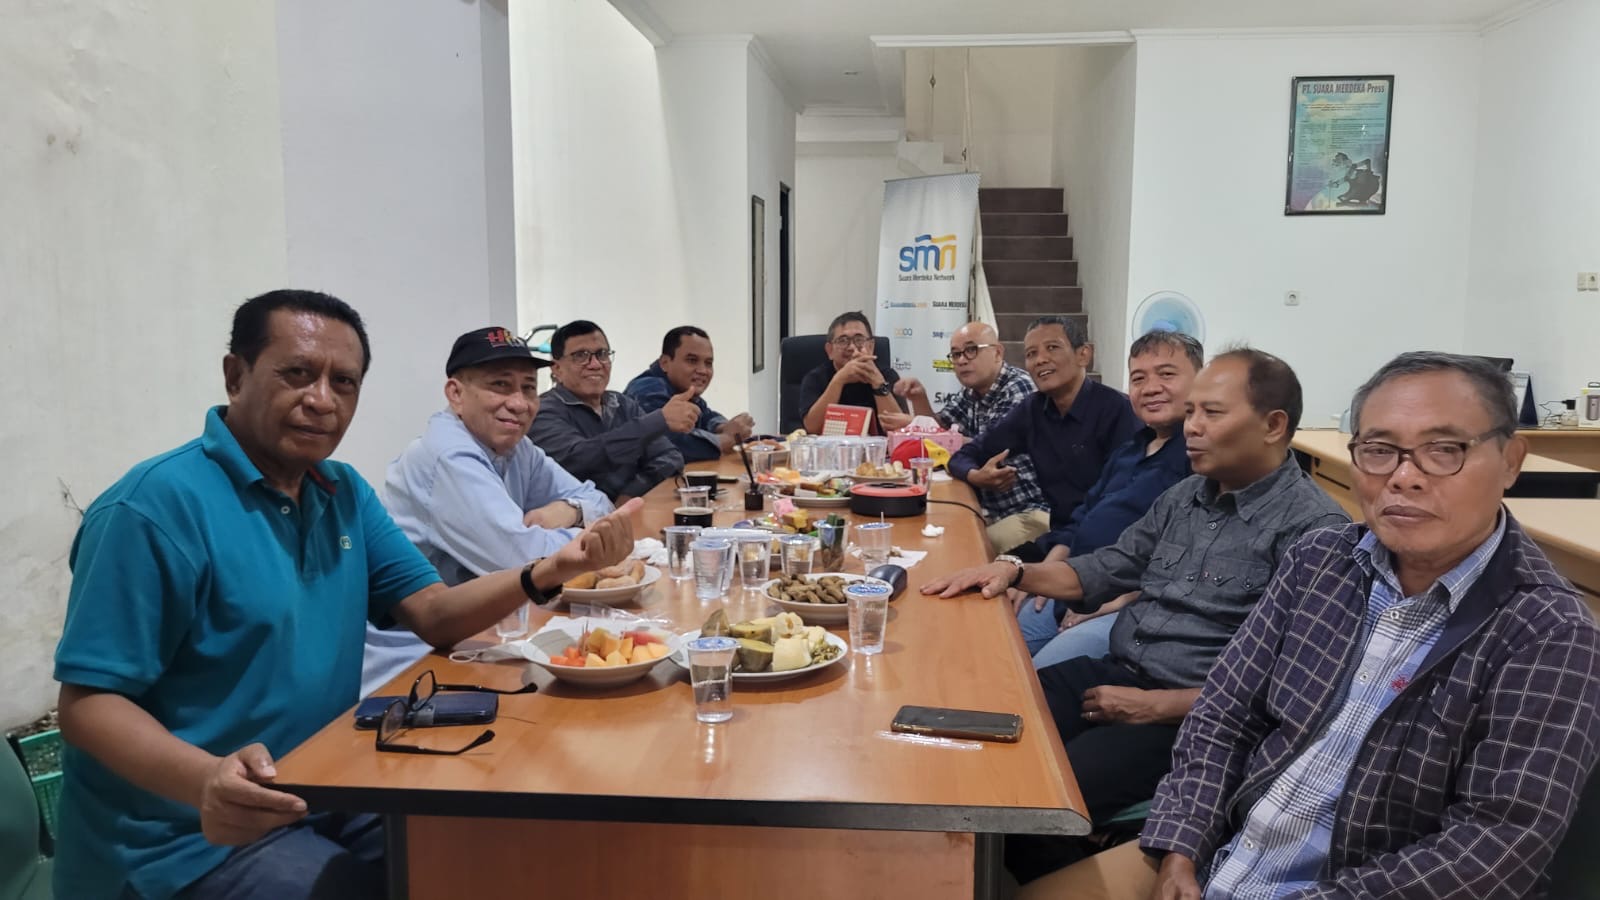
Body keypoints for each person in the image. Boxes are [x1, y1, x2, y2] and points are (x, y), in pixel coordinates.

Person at [51, 291, 640, 900]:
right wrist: (206, 781)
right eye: (297, 373)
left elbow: (434, 613)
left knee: (491, 847)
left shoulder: (340, 491)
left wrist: (550, 569)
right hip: (185, 838)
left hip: (323, 783)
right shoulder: (152, 508)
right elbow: (87, 704)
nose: (322, 400)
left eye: (344, 382)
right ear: (235, 375)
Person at [1029, 352, 1600, 900]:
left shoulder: (1549, 632)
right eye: (1379, 450)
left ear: (1511, 460)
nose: (1404, 476)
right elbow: (1226, 713)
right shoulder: (1321, 562)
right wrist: (1181, 847)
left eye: (1443, 450)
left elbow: (1495, 845)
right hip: (1221, 854)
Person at [923, 348, 1348, 882]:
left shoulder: (1316, 532)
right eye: (1191, 412)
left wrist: (1155, 707)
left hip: (1190, 717)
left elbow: (1296, 689)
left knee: (1031, 797)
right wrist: (1013, 571)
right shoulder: (1185, 496)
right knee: (970, 726)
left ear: (1273, 425)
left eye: (1211, 413)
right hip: (1117, 672)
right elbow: (1107, 567)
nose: (1192, 427)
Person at [365, 326, 616, 695]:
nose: (519, 403)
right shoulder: (447, 455)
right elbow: (523, 561)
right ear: (456, 394)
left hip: (487, 631)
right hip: (415, 659)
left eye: (528, 388)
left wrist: (567, 510)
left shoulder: (516, 447)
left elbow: (600, 500)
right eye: (500, 385)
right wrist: (590, 538)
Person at [1012, 330, 1201, 665]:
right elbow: (1083, 516)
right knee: (996, 646)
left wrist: (1120, 599)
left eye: (1166, 374)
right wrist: (1045, 572)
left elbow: (1193, 558)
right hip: (1075, 584)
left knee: (1040, 680)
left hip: (1130, 606)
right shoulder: (1130, 448)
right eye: (1138, 378)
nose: (1151, 387)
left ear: (1200, 382)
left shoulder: (1199, 458)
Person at [946, 316, 1139, 556]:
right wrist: (975, 475)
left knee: (982, 559)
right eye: (1031, 353)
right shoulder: (1033, 410)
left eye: (1052, 347)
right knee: (967, 556)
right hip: (1059, 537)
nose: (1040, 360)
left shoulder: (1117, 411)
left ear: (1083, 355)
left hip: (1106, 548)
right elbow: (966, 454)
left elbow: (1114, 508)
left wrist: (1055, 561)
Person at [892, 321, 1050, 552]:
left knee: (962, 549)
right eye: (956, 354)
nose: (962, 360)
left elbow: (986, 448)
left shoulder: (1018, 389)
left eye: (971, 350)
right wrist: (919, 399)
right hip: (991, 509)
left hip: (1029, 511)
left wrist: (949, 444)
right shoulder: (972, 392)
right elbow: (941, 430)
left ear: (997, 353)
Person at [528, 320, 688, 501]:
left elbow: (669, 457)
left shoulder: (623, 404)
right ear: (557, 368)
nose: (595, 364)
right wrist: (656, 422)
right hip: (577, 516)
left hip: (631, 509)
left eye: (602, 354)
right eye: (580, 356)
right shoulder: (543, 411)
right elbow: (581, 459)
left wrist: (631, 492)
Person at [624, 325, 755, 462]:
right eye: (692, 360)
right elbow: (670, 444)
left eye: (708, 363)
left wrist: (725, 427)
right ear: (665, 363)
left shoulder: (682, 389)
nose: (703, 370)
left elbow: (705, 415)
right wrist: (727, 438)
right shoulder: (648, 389)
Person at [797, 311, 910, 434]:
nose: (852, 347)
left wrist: (878, 382)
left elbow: (899, 430)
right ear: (830, 350)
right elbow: (812, 428)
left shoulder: (887, 375)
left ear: (871, 347)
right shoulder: (815, 378)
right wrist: (838, 380)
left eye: (859, 340)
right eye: (843, 341)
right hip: (832, 445)